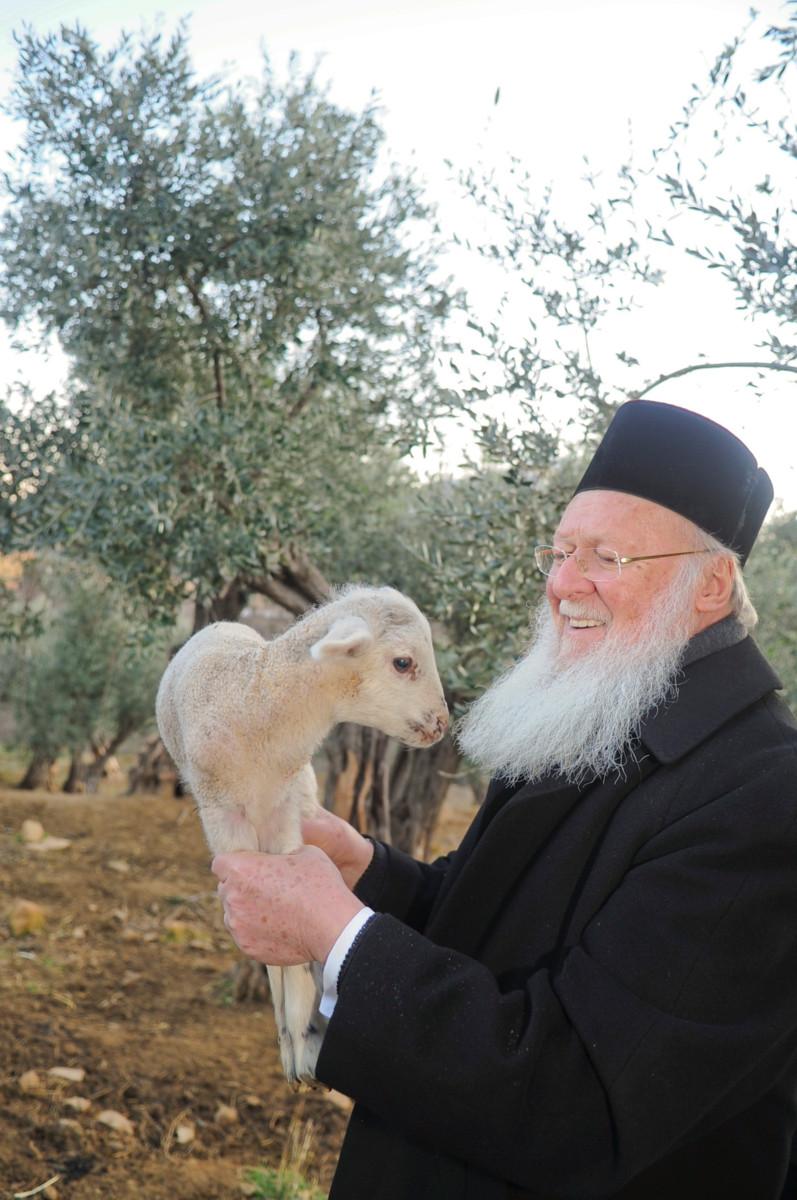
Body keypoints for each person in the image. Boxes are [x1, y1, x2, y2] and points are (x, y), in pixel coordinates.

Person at [213, 400, 797, 1200]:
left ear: (711, 585)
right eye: (558, 550)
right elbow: (506, 919)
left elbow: (578, 1103)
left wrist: (336, 933)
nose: (562, 584)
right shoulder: (601, 705)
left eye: (605, 557)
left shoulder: (765, 798)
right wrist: (370, 878)